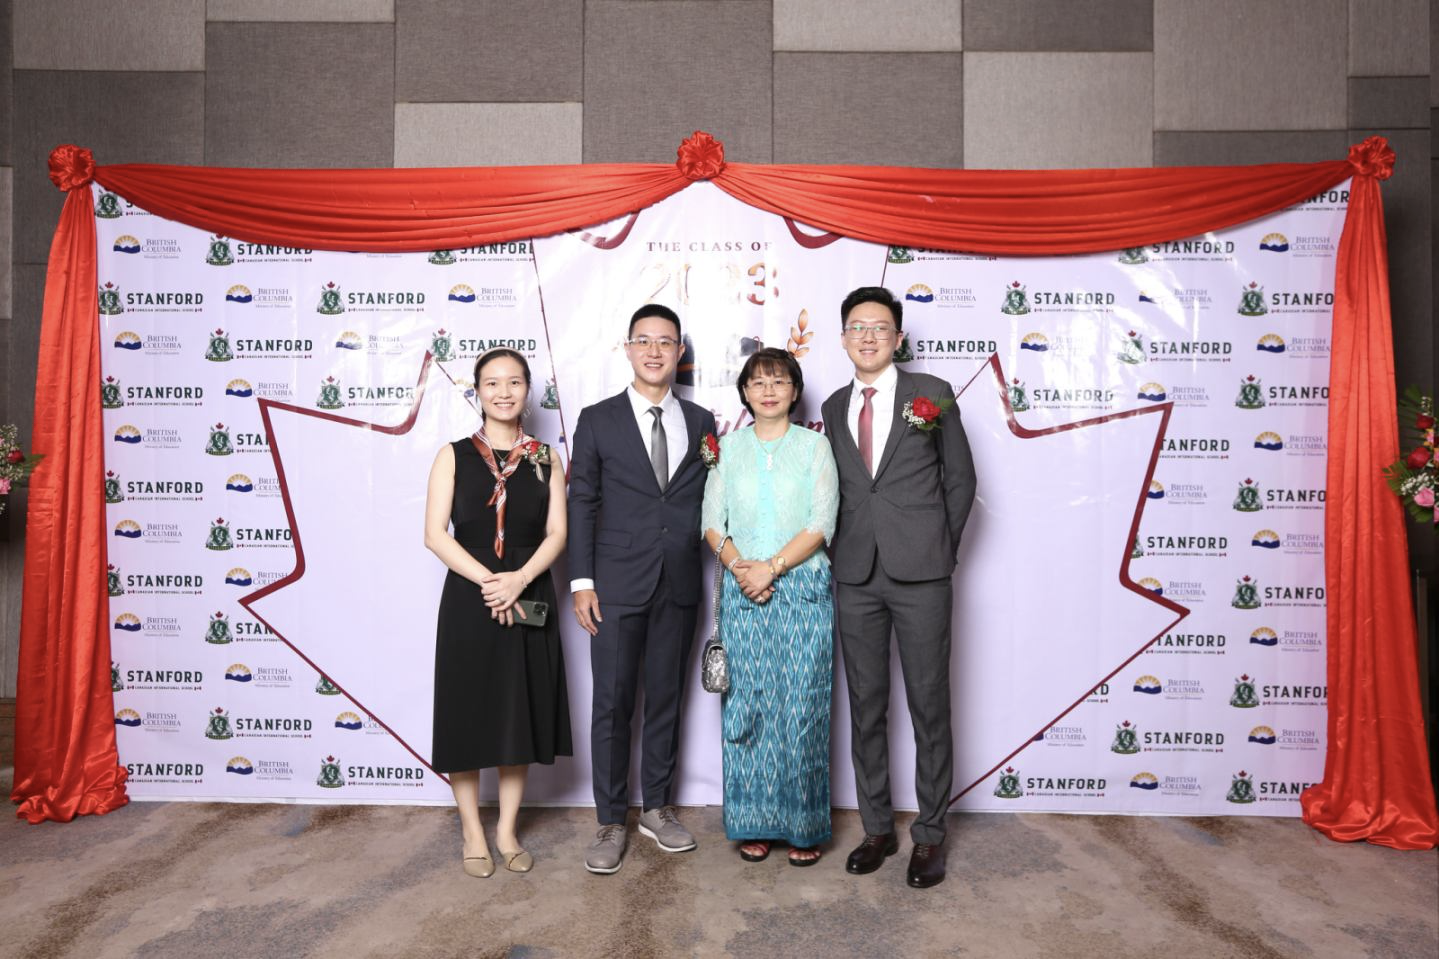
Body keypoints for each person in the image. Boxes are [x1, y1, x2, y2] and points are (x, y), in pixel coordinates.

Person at [820, 286, 976, 889]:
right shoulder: (834, 406)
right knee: (867, 708)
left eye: (879, 327)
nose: (867, 336)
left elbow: (960, 481)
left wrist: (940, 550)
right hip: (855, 574)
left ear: (898, 338)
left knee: (930, 706)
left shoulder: (930, 394)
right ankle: (878, 828)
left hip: (923, 575)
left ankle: (930, 836)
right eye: (856, 326)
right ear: (843, 338)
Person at [568, 303, 718, 874]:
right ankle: (610, 820)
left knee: (666, 701)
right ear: (628, 349)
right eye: (644, 341)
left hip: (678, 584)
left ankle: (657, 808)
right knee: (611, 703)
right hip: (614, 585)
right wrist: (582, 581)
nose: (655, 351)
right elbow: (582, 501)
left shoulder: (702, 421)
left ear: (680, 353)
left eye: (666, 342)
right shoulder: (598, 418)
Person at [424, 348, 572, 879]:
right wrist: (491, 582)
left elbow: (558, 534)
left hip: (528, 593)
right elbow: (434, 535)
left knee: (516, 713)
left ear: (528, 390)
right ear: (478, 392)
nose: (504, 392)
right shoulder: (454, 455)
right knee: (466, 715)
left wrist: (519, 580)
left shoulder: (546, 457)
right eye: (492, 383)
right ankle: (471, 831)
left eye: (514, 382)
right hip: (471, 596)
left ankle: (507, 830)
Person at [702, 347, 839, 866]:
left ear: (795, 391)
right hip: (743, 596)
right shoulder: (728, 449)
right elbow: (712, 520)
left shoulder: (814, 448)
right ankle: (753, 823)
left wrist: (772, 567)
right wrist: (744, 569)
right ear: (744, 392)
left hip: (801, 592)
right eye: (757, 382)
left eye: (778, 381)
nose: (767, 390)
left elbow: (822, 521)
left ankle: (803, 826)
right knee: (749, 708)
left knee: (801, 707)